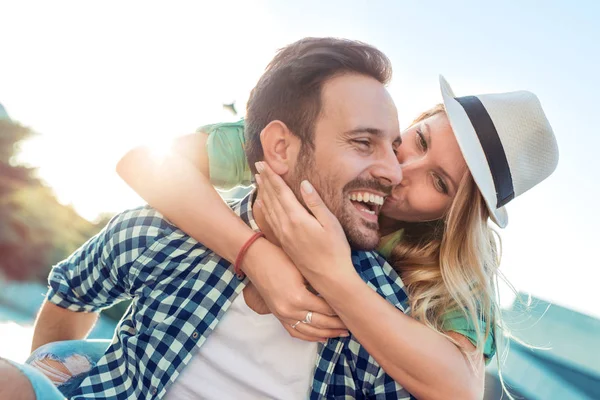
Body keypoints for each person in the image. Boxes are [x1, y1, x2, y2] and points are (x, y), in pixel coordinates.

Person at [4, 37, 413, 400]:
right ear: (280, 148)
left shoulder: (388, 308)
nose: (393, 172)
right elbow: (70, 297)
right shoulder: (156, 234)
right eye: (363, 142)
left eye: (394, 149)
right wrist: (41, 379)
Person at [113, 76, 559, 398]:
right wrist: (256, 257)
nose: (403, 172)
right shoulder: (323, 144)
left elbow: (457, 389)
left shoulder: (455, 273)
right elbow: (144, 164)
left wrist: (332, 274)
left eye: (440, 183)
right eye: (418, 141)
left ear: (453, 215)